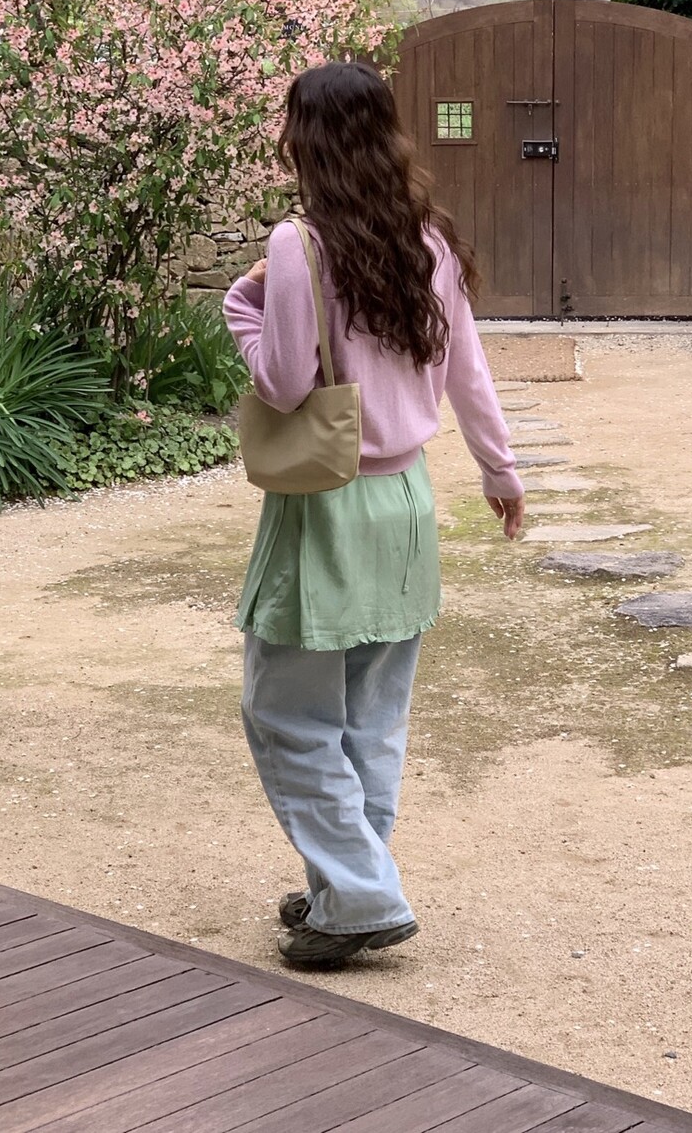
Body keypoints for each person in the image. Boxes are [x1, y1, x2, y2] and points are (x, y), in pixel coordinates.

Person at [223, 60, 524, 967]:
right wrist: (500, 471)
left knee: (286, 711)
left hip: (326, 502)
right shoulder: (430, 239)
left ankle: (358, 896)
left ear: (304, 139)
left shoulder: (298, 246)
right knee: (372, 716)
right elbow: (468, 369)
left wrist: (243, 306)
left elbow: (283, 384)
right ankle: (344, 883)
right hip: (407, 502)